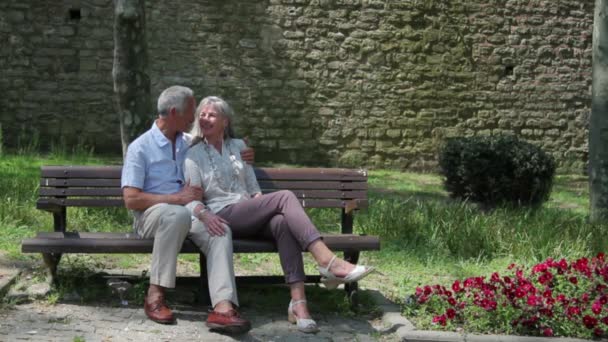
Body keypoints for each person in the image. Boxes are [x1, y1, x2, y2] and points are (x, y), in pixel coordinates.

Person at [184, 96, 374, 334]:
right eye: (202, 114)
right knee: (284, 196)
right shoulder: (193, 154)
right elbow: (190, 198)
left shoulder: (239, 148)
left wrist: (261, 208)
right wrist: (204, 215)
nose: (205, 118)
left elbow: (253, 190)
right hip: (221, 215)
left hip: (247, 212)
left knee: (282, 223)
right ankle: (327, 261)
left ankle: (299, 304)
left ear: (225, 121)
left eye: (211, 114)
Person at [121, 86, 254, 334]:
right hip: (152, 217)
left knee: (220, 229)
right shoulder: (140, 147)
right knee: (176, 212)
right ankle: (155, 295)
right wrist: (175, 198)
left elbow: (221, 147)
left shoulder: (187, 142)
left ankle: (223, 309)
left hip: (188, 214)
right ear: (173, 112)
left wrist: (242, 153)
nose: (195, 119)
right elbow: (131, 199)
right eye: (191, 113)